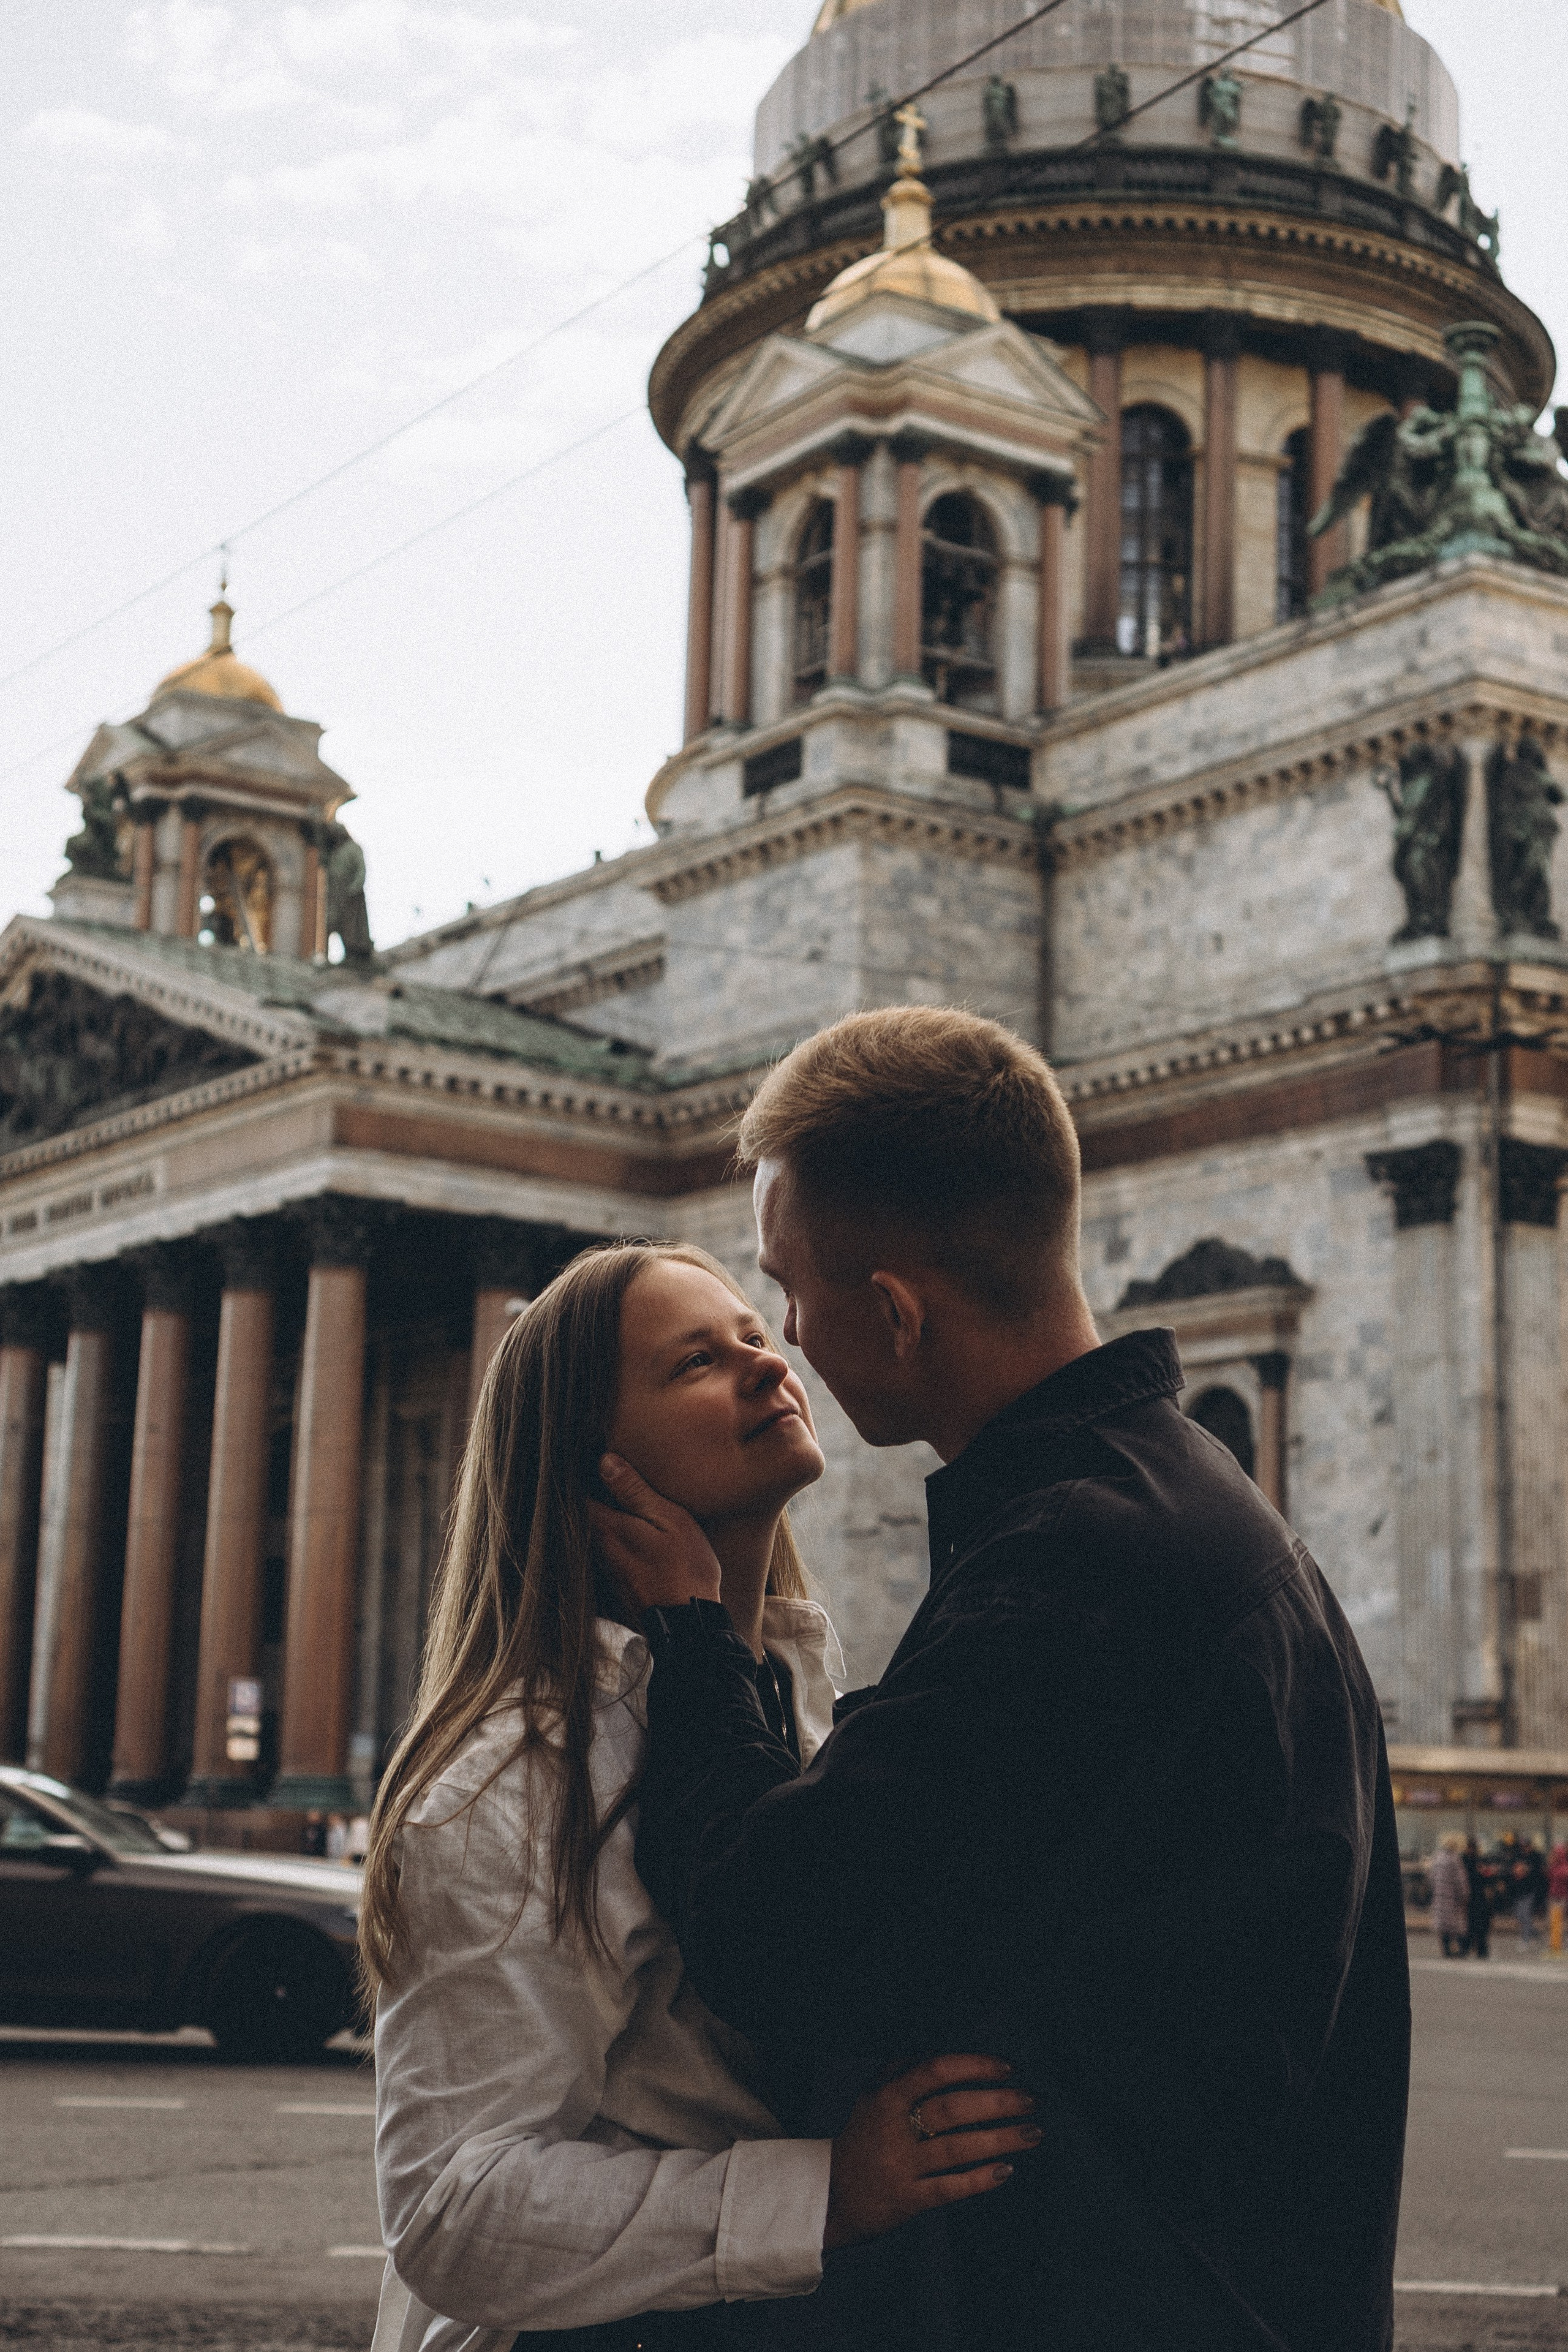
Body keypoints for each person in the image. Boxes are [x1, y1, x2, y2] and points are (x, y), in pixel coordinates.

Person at [595, 1006, 1412, 2352]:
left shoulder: (1074, 1571)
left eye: (787, 1289)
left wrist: (695, 1638)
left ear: (897, 1313)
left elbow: (774, 1930)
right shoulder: (1187, 1512)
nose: (787, 1335)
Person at [361, 1240, 1037, 2352]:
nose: (769, 1368)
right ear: (595, 1465)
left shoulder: (795, 1698)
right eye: (696, 1365)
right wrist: (825, 2195)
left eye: (757, 1339)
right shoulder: (515, 1775)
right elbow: (451, 2212)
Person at [1429, 1833, 1469, 1958]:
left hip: (1440, 1897)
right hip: (1452, 1898)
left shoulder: (1438, 1858)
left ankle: (1446, 1950)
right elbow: (1460, 1880)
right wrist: (1465, 1894)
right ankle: (1460, 1950)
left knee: (1443, 1926)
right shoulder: (1454, 1859)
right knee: (1457, 1925)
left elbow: (1431, 1877)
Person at [1463, 1837, 1491, 1961]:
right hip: (1474, 1898)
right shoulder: (1468, 1861)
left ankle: (1479, 1949)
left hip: (1477, 1898)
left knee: (1477, 1926)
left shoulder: (1473, 1861)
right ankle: (1475, 1949)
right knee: (1474, 1926)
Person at [1548, 1840, 1567, 1955]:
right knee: (1554, 1921)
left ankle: (1557, 1944)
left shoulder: (1563, 1867)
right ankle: (1555, 1943)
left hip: (1560, 1896)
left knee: (1558, 1921)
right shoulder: (1555, 1866)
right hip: (1554, 1895)